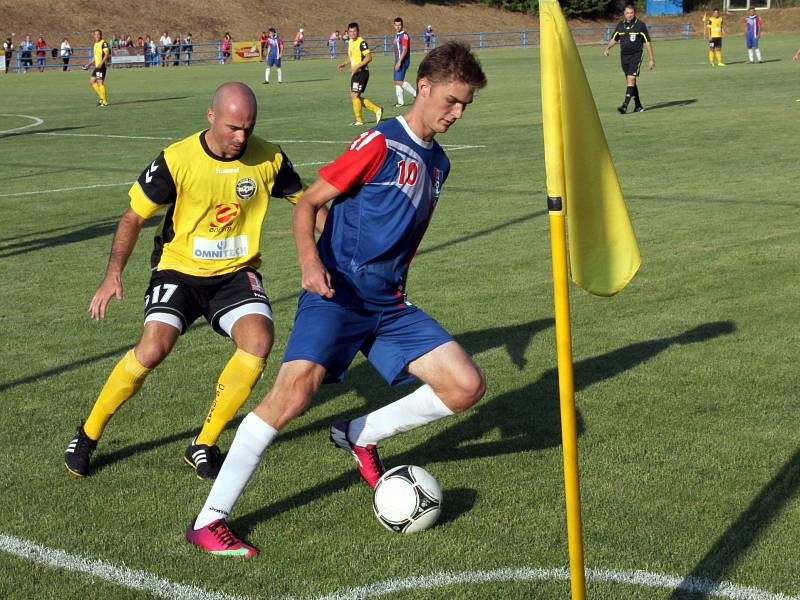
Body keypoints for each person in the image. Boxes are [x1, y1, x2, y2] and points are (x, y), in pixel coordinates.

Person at [185, 41, 488, 558]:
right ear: (427, 86)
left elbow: (405, 236)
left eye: (465, 106)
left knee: (465, 386)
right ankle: (210, 520)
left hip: (388, 303)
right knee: (293, 395)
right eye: (453, 101)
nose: (457, 113)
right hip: (337, 291)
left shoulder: (438, 164)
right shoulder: (380, 142)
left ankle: (358, 433)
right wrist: (310, 263)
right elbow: (308, 203)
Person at [64, 82, 326, 481]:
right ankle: (88, 434)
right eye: (232, 128)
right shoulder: (177, 159)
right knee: (153, 348)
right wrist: (112, 273)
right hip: (178, 269)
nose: (241, 138)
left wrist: (346, 243)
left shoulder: (269, 158)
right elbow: (133, 217)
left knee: (258, 341)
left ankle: (203, 444)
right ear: (211, 116)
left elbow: (305, 203)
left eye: (248, 129)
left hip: (236, 273)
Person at [603, 4, 655, 114]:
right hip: (624, 56)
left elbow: (647, 42)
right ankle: (638, 106)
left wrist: (651, 59)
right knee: (631, 81)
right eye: (627, 13)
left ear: (634, 13)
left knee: (631, 78)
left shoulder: (640, 25)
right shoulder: (620, 25)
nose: (629, 15)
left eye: (631, 13)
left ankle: (625, 105)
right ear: (624, 14)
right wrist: (608, 48)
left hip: (636, 55)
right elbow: (614, 39)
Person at [338, 22, 382, 126]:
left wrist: (357, 66)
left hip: (362, 72)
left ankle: (360, 120)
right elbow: (352, 57)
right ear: (348, 32)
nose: (353, 33)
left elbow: (369, 58)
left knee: (355, 95)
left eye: (355, 31)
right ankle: (377, 110)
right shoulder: (350, 42)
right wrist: (344, 63)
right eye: (351, 31)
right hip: (356, 72)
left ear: (358, 31)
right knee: (354, 95)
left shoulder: (362, 42)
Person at [392, 17, 417, 107]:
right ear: (394, 25)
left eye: (399, 25)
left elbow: (405, 49)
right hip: (398, 61)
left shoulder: (404, 36)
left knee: (398, 81)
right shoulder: (397, 35)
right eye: (396, 25)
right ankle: (400, 102)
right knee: (396, 81)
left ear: (402, 25)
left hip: (402, 61)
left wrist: (399, 62)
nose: (398, 27)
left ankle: (415, 93)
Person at [82, 29, 110, 107]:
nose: (97, 36)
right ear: (94, 36)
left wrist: (101, 63)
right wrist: (88, 65)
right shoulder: (95, 44)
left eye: (98, 34)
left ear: (101, 35)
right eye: (95, 34)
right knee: (92, 81)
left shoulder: (104, 43)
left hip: (101, 66)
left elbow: (106, 54)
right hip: (97, 67)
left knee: (100, 83)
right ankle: (102, 98)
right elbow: (95, 57)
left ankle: (104, 102)